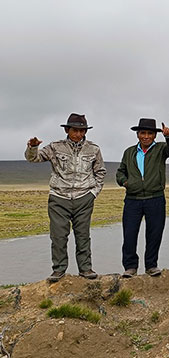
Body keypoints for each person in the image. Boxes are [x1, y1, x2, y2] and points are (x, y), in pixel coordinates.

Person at [25, 113, 106, 282]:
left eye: (82, 131)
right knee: (58, 236)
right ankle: (59, 270)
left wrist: (93, 193)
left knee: (83, 235)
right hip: (59, 197)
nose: (78, 134)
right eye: (75, 130)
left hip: (84, 197)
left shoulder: (94, 149)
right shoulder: (55, 147)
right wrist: (32, 147)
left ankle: (85, 269)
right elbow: (34, 158)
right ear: (67, 130)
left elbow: (100, 172)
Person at [116, 118, 169, 278]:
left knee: (154, 233)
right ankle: (130, 267)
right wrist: (125, 182)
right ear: (138, 134)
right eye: (143, 133)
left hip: (155, 198)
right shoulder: (129, 152)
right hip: (132, 199)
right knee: (129, 234)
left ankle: (151, 266)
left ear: (154, 135)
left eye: (150, 133)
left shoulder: (161, 149)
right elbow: (120, 171)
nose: (146, 136)